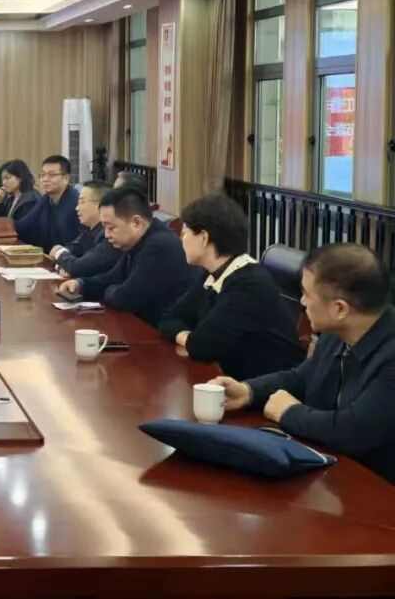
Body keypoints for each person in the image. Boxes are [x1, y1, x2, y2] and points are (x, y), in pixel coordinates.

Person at [210, 243, 395, 484]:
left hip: (377, 490)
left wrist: (289, 412)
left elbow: (354, 432)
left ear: (340, 308)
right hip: (332, 473)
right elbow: (301, 378)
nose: (302, 302)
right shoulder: (338, 332)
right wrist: (248, 391)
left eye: (307, 294)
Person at [157, 194, 304, 379]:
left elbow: (202, 347)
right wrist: (188, 337)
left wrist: (185, 337)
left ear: (204, 237)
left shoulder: (248, 284)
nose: (181, 238)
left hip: (266, 389)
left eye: (185, 232)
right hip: (231, 380)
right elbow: (169, 319)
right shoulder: (212, 273)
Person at [56, 186, 191, 326]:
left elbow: (125, 299)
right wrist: (81, 284)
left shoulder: (159, 245)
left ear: (136, 223)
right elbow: (112, 277)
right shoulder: (137, 240)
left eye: (111, 228)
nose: (106, 235)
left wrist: (110, 290)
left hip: (159, 331)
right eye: (104, 227)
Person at [48, 179, 120, 278]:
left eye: (82, 202)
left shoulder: (109, 236)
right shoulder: (88, 230)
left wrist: (59, 253)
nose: (77, 208)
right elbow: (71, 251)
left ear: (101, 205)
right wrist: (62, 264)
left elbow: (77, 267)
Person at [14, 155, 81, 250]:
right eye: (43, 175)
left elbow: (80, 243)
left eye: (52, 175)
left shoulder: (76, 202)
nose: (45, 179)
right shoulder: (46, 199)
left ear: (66, 178)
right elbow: (24, 225)